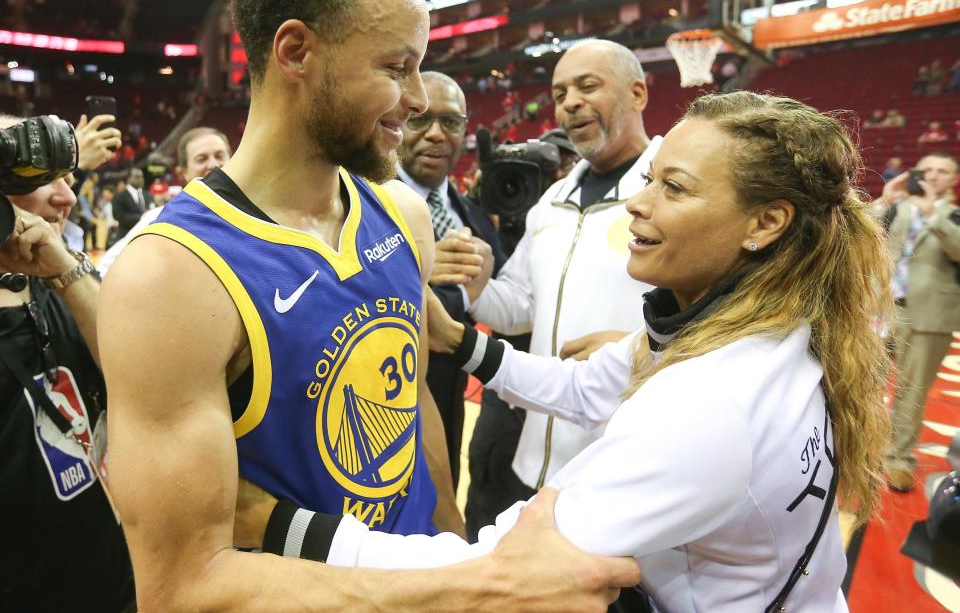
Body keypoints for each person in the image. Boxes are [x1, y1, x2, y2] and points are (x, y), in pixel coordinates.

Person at [97, 0, 637, 612]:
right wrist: (474, 584)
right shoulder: (170, 275)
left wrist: (448, 537)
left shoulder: (401, 215)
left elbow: (408, 400)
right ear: (296, 51)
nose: (416, 100)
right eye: (397, 67)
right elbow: (181, 585)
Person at [243, 91, 892, 613]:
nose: (637, 202)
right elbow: (587, 387)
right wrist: (458, 341)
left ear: (765, 223)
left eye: (674, 187)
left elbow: (494, 569)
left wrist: (272, 523)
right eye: (651, 179)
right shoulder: (769, 323)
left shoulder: (707, 403)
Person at [441, 39, 662, 534]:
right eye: (560, 93)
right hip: (536, 459)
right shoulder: (551, 203)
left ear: (638, 94)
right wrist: (478, 284)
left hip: (622, 465)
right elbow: (519, 308)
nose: (570, 103)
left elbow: (723, 315)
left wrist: (653, 351)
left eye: (588, 86)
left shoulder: (673, 190)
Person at [0, 119, 133, 611]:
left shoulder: (64, 281)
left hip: (115, 579)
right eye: (41, 180)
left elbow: (135, 375)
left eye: (69, 179)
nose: (68, 199)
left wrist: (65, 272)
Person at [395, 71, 505, 488]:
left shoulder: (475, 216)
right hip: (386, 410)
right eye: (420, 119)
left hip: (451, 400)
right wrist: (413, 272)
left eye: (453, 122)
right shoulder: (357, 200)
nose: (438, 135)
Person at [874, 152, 960, 492]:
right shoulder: (897, 208)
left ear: (953, 179)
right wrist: (886, 199)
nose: (933, 176)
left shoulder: (953, 215)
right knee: (863, 380)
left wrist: (932, 216)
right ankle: (856, 446)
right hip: (882, 307)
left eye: (943, 171)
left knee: (912, 391)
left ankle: (899, 458)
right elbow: (861, 232)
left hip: (929, 315)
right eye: (927, 170)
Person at [98, 127, 231, 276]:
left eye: (220, 156)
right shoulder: (158, 218)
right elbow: (105, 270)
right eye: (202, 158)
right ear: (184, 172)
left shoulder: (257, 213)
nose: (213, 164)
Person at [111, 167, 147, 240]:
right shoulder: (120, 196)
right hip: (126, 235)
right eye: (137, 177)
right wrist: (142, 217)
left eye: (142, 177)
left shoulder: (147, 195)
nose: (140, 179)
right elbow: (118, 215)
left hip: (144, 236)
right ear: (128, 179)